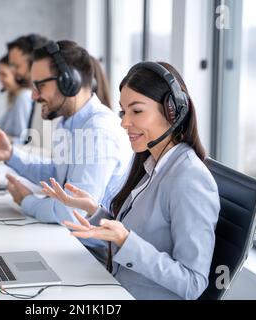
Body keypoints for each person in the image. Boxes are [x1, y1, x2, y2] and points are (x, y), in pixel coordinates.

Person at [40, 61, 220, 300]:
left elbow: (193, 283)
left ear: (172, 111)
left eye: (137, 111)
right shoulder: (150, 165)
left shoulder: (189, 178)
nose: (124, 122)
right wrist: (95, 211)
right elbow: (137, 235)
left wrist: (126, 241)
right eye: (124, 112)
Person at [0, 40, 133, 224]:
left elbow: (73, 213)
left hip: (88, 249)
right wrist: (10, 155)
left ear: (69, 82)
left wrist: (27, 201)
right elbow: (57, 173)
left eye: (40, 86)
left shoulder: (98, 132)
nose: (34, 96)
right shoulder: (68, 122)